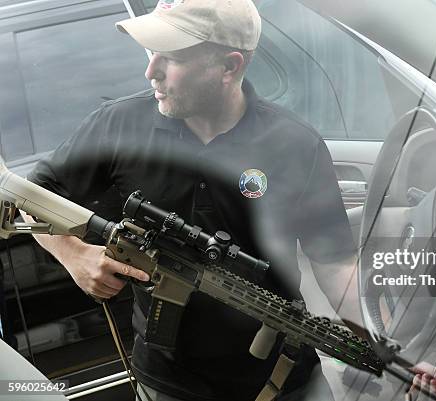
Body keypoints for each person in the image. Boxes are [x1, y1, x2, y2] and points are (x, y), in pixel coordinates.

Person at [25, 0, 358, 400]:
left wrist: (395, 352)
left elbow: (337, 264)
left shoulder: (296, 144)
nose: (151, 72)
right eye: (152, 55)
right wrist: (75, 255)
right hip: (166, 384)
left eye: (172, 58)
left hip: (285, 379)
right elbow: (31, 196)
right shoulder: (117, 125)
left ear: (229, 67)